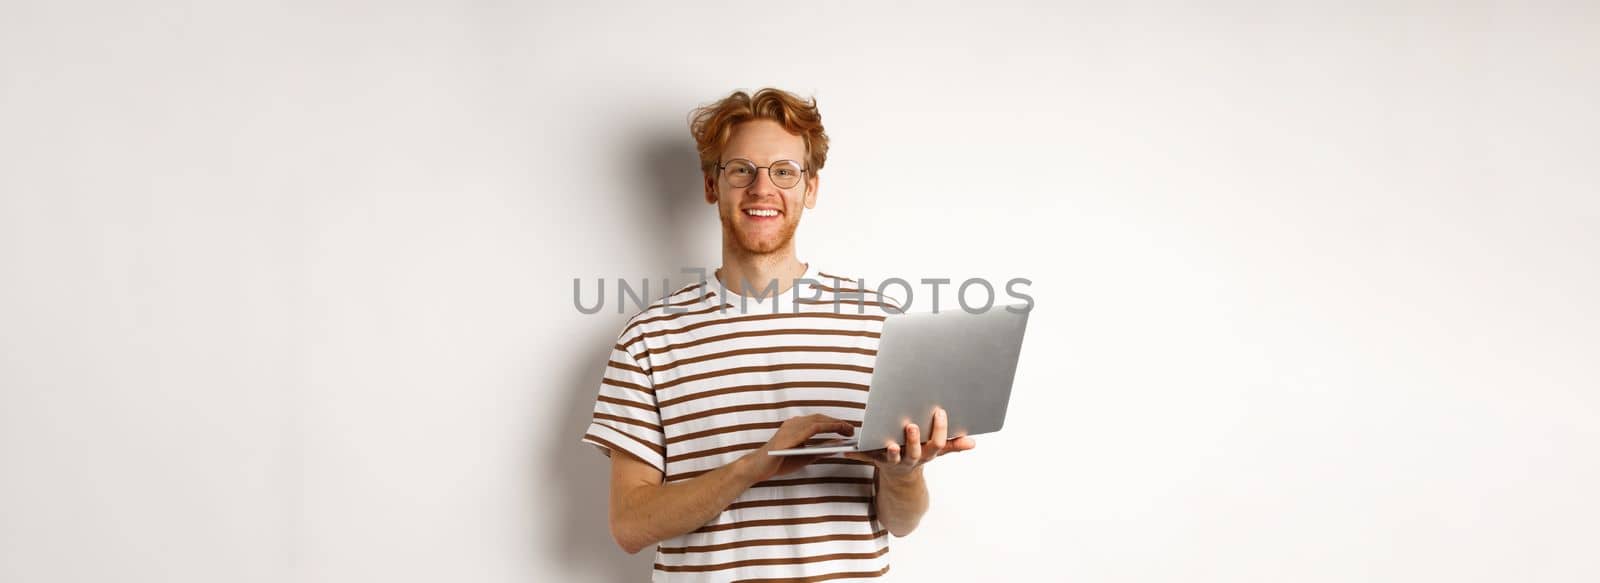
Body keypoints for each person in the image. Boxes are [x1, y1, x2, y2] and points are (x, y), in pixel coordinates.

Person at [580, 87, 974, 581]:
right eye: (741, 169)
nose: (762, 189)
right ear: (711, 185)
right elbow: (630, 526)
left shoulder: (883, 324)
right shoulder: (648, 339)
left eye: (784, 172)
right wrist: (756, 465)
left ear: (810, 189)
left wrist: (904, 473)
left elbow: (900, 521)